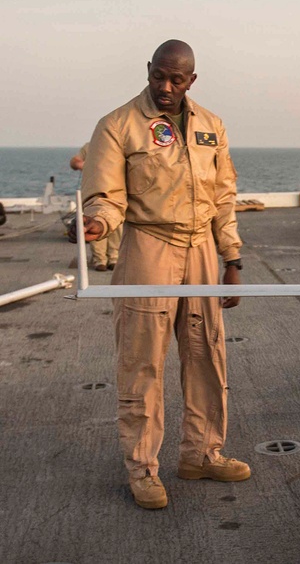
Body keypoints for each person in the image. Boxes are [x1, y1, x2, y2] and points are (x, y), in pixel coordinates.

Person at [69, 40, 248, 510]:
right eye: (158, 76)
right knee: (142, 361)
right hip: (148, 246)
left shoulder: (211, 125)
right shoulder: (118, 125)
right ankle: (143, 469)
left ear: (192, 80)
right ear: (148, 69)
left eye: (176, 79)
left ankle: (202, 453)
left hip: (203, 249)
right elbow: (105, 194)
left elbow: (224, 196)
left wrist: (232, 260)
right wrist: (98, 221)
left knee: (206, 354)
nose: (165, 87)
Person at [70, 143, 122, 271]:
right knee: (95, 224)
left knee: (117, 227)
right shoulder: (90, 146)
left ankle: (114, 258)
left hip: (117, 192)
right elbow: (74, 161)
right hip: (95, 191)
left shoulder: (122, 143)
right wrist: (85, 166)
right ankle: (100, 260)